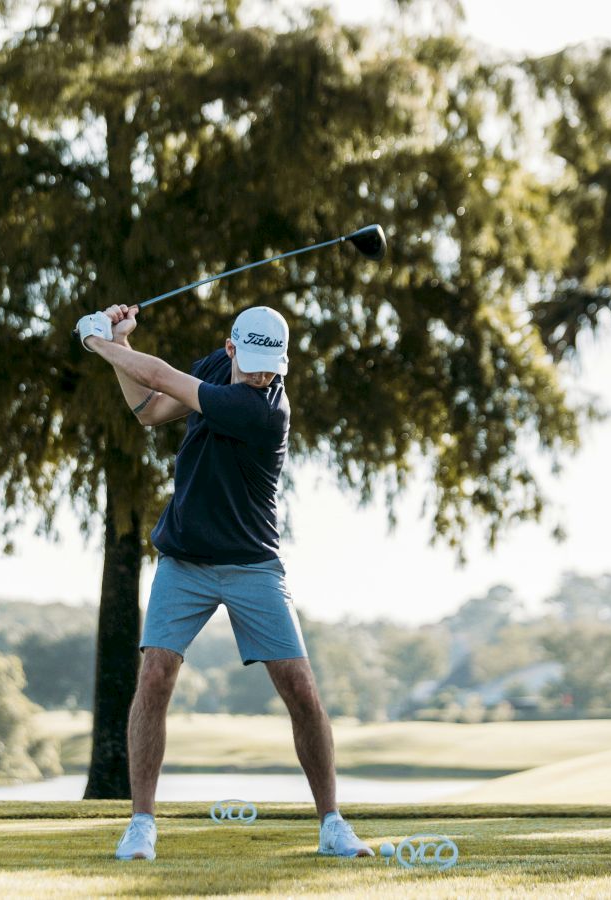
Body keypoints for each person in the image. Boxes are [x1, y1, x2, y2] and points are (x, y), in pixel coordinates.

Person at [77, 303, 374, 862]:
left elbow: (161, 376)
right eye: (255, 361)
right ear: (232, 349)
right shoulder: (218, 366)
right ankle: (141, 824)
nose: (264, 374)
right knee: (156, 674)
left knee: (302, 691)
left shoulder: (263, 408)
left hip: (250, 564)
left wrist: (99, 345)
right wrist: (119, 345)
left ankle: (332, 823)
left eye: (273, 366)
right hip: (184, 558)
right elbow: (149, 407)